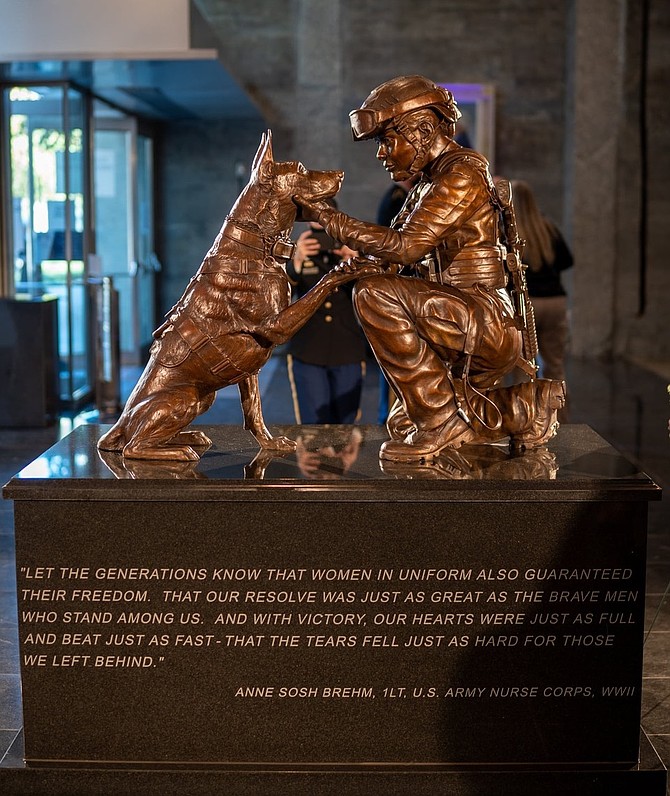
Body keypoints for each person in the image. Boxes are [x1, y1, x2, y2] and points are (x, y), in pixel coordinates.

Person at [295, 74, 565, 462]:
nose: (381, 154)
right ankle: (525, 408)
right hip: (454, 318)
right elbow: (389, 255)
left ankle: (441, 421)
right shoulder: (428, 181)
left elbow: (406, 248)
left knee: (374, 294)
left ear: (422, 130)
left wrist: (325, 216)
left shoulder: (462, 173)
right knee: (404, 425)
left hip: (480, 319)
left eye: (387, 140)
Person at [286, 207, 366, 424]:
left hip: (347, 348)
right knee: (312, 427)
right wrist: (295, 262)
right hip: (308, 349)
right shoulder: (299, 253)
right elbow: (281, 298)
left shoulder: (351, 253)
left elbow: (369, 295)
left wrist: (358, 262)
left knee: (346, 427)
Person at [509, 179, 573, 384]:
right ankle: (559, 416)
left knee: (525, 368)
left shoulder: (510, 232)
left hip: (528, 304)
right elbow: (567, 260)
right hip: (556, 301)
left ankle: (528, 416)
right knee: (555, 366)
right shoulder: (548, 228)